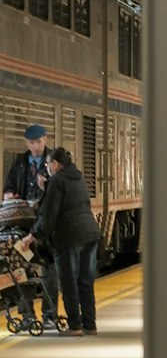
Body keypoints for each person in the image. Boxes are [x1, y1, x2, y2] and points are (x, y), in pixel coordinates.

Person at [30, 146, 101, 335]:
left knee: (68, 282)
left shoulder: (58, 180)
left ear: (55, 164)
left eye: (48, 164)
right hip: (90, 234)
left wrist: (33, 235)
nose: (47, 168)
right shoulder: (77, 178)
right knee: (85, 281)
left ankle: (75, 326)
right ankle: (90, 324)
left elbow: (48, 213)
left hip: (68, 236)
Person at [2, 122, 59, 325]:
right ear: (26, 142)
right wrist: (9, 193)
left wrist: (47, 186)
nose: (35, 146)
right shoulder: (19, 162)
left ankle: (50, 315)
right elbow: (9, 184)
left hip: (45, 227)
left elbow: (62, 188)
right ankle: (27, 315)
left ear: (46, 139)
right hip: (23, 227)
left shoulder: (55, 160)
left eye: (39, 141)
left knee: (49, 269)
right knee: (21, 268)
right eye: (32, 142)